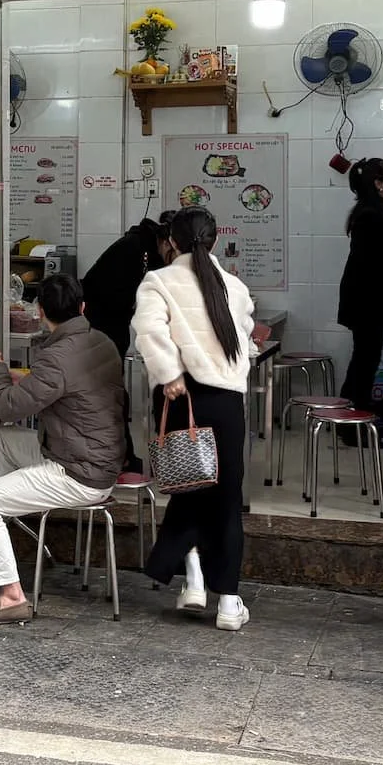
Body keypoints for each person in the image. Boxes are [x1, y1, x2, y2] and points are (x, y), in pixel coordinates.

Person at [0, 274, 127, 624]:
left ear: (40, 312)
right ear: (82, 307)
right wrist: (21, 380)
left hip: (78, 471)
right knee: (6, 439)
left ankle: (10, 595)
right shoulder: (102, 342)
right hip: (100, 458)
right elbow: (62, 387)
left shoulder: (56, 356)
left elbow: (6, 407)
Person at [134, 207, 259, 633]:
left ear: (172, 241)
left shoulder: (159, 280)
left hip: (180, 398)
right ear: (215, 240)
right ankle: (227, 601)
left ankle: (189, 574)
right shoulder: (235, 286)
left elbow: (148, 330)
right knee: (224, 499)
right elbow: (245, 336)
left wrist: (169, 373)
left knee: (187, 485)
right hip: (226, 402)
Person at [337, 157, 383, 438]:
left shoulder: (378, 208)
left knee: (365, 359)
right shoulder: (369, 214)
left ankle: (353, 418)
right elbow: (378, 257)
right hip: (364, 299)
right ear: (378, 184)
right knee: (365, 361)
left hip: (369, 298)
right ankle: (351, 425)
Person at [78, 211, 175, 357]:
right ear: (167, 243)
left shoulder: (154, 253)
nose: (174, 259)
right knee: (103, 369)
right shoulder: (133, 247)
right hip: (98, 320)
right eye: (175, 253)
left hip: (117, 321)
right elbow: (112, 294)